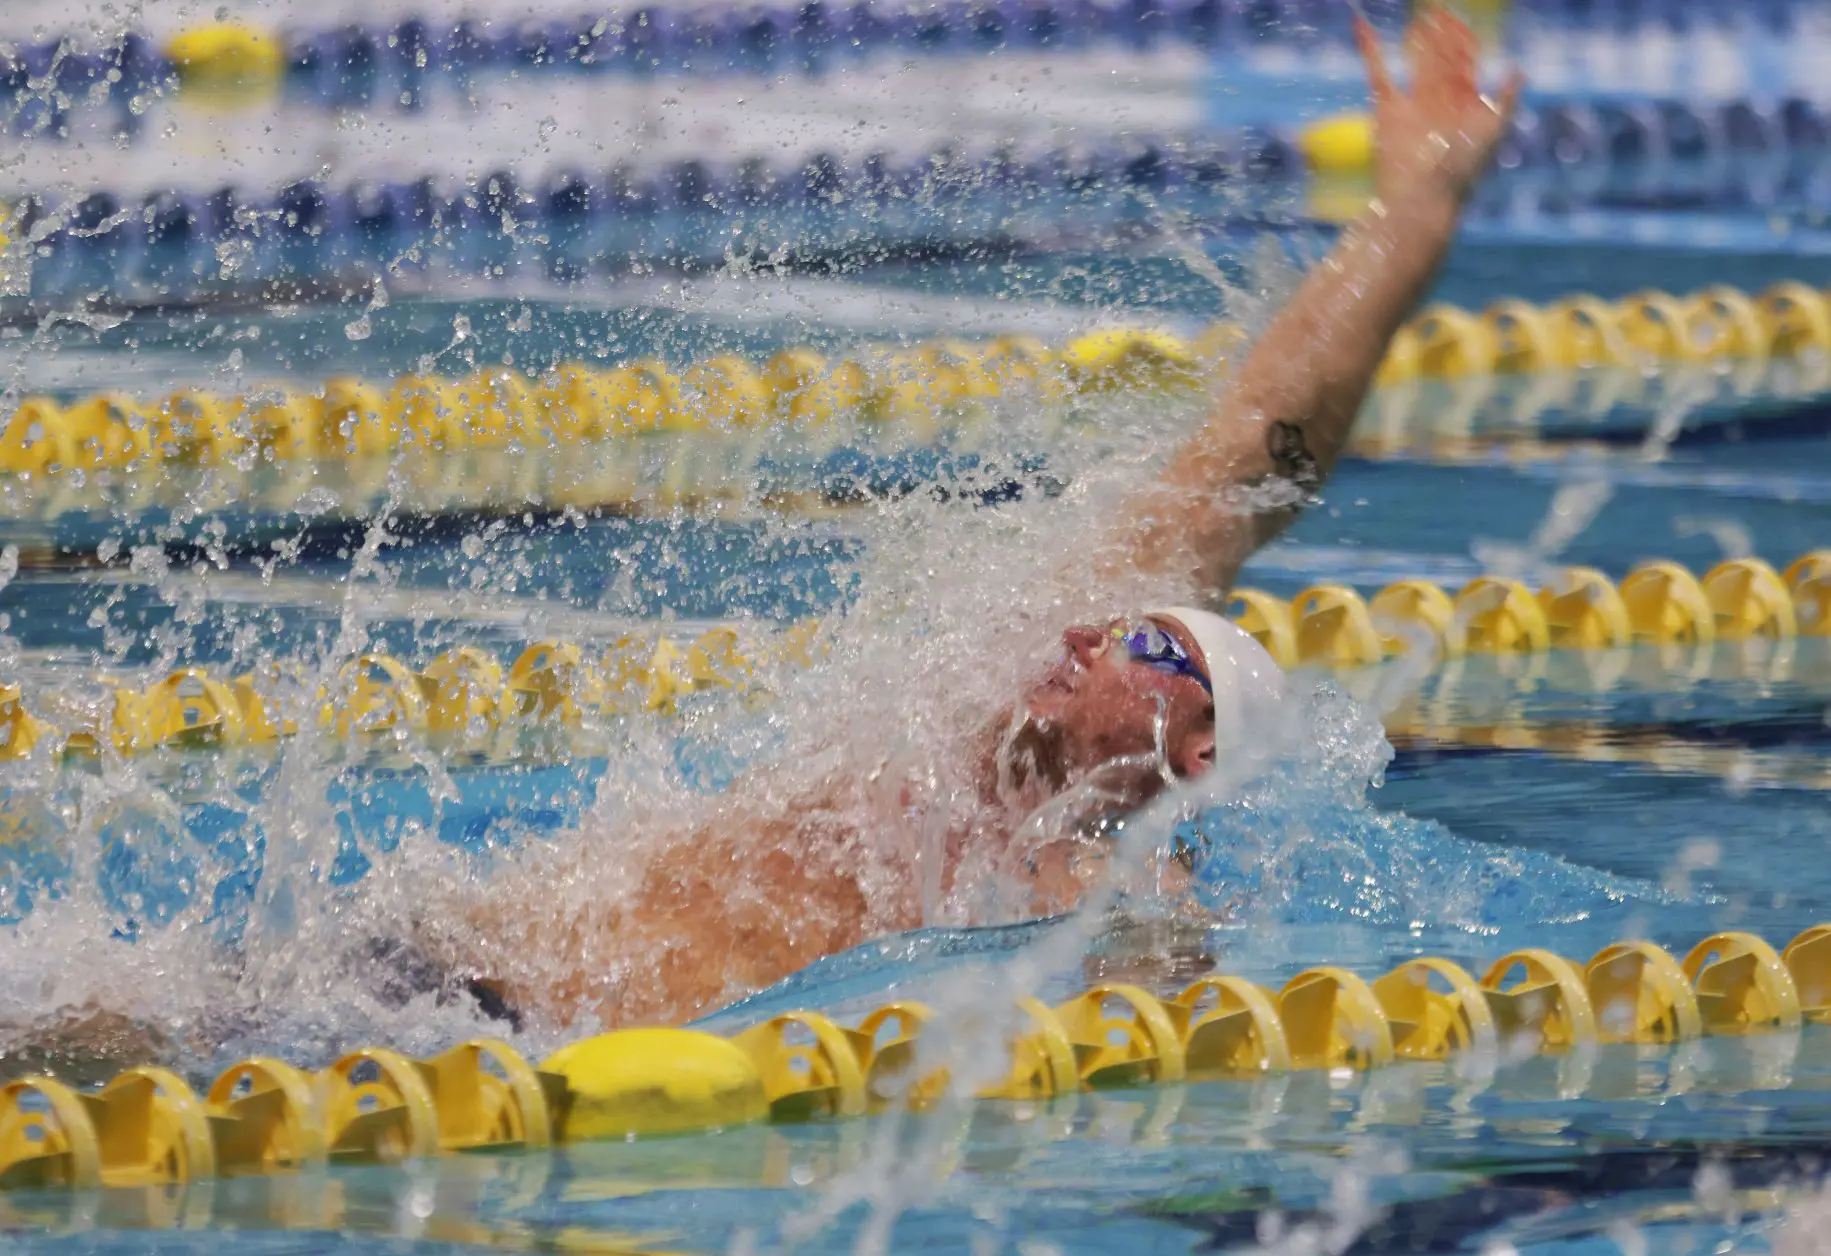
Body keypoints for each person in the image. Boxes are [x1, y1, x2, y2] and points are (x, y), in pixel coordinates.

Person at [417, 3, 1522, 1034]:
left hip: (504, 1054)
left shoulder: (1097, 884)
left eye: (1147, 642)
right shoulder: (973, 684)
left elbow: (1142, 1036)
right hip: (421, 955)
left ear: (1194, 753)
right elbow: (1250, 450)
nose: (1088, 631)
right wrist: (1412, 210)